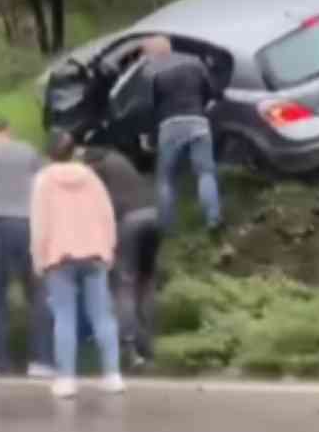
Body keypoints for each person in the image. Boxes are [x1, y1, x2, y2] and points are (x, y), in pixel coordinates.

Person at [31, 129, 124, 398]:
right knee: (102, 315)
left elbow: (40, 225)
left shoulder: (43, 181)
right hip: (94, 253)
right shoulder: (91, 178)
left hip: (60, 257)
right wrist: (108, 249)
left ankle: (67, 379)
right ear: (73, 151)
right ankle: (113, 375)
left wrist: (39, 258)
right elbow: (107, 215)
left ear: (49, 154)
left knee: (64, 317)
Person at [0, 117, 54, 379]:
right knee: (38, 293)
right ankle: (41, 361)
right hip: (30, 226)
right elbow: (46, 183)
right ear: (9, 131)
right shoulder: (28, 150)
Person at [79, 145, 161, 369]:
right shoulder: (119, 160)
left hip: (130, 221)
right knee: (146, 284)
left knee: (124, 284)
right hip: (153, 216)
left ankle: (130, 347)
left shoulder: (96, 168)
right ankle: (149, 349)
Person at [141, 35, 224, 231]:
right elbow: (211, 91)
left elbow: (150, 107)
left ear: (153, 53)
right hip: (198, 121)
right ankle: (214, 219)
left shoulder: (150, 72)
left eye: (146, 54)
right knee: (205, 173)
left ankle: (167, 227)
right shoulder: (194, 62)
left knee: (166, 179)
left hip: (170, 126)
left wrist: (149, 136)